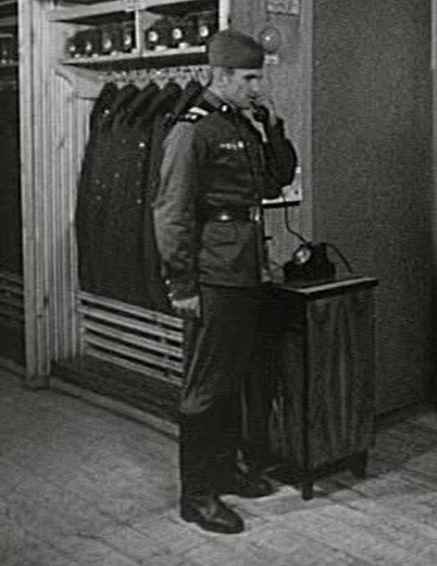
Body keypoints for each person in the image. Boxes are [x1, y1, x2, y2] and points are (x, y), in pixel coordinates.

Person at [153, 28, 298, 534]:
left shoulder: (241, 123)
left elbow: (277, 178)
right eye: (250, 78)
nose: (258, 87)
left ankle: (224, 471)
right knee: (205, 387)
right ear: (221, 75)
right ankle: (197, 496)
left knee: (233, 380)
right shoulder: (192, 129)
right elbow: (171, 212)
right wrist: (182, 285)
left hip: (245, 268)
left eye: (259, 78)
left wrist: (273, 127)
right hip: (213, 274)